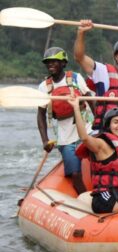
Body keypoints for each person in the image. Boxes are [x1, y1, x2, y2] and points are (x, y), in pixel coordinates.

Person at [37, 47, 93, 195]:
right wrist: (45, 140)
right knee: (75, 175)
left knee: (100, 165)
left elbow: (90, 99)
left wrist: (101, 122)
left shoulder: (75, 78)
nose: (51, 64)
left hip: (87, 131)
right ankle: (85, 200)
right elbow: (41, 115)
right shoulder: (44, 87)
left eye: (54, 61)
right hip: (66, 137)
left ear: (63, 63)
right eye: (48, 62)